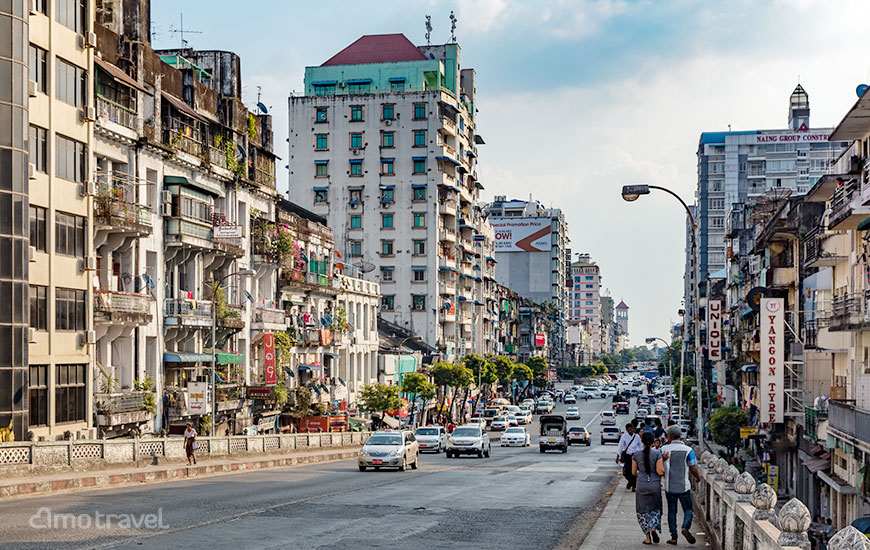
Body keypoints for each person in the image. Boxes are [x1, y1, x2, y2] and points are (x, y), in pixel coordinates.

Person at [661, 425, 701, 545]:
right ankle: (685, 527)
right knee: (688, 509)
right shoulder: (688, 450)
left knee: (672, 512)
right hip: (684, 486)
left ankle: (674, 537)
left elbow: (659, 465)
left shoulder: (663, 449)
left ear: (669, 436)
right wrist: (698, 478)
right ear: (680, 436)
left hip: (669, 486)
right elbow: (693, 468)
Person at [632, 430, 665, 544]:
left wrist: (641, 474)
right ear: (652, 442)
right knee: (655, 508)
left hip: (641, 484)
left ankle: (647, 538)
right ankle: (653, 528)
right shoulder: (657, 454)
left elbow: (633, 472)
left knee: (642, 510)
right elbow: (660, 471)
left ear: (641, 441)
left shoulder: (636, 455)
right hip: (654, 484)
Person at [616, 423, 643, 491]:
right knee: (626, 472)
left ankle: (634, 485)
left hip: (635, 456)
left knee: (634, 471)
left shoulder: (637, 436)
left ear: (633, 429)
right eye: (628, 430)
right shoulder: (624, 437)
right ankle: (631, 482)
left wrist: (641, 455)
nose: (630, 431)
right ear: (626, 430)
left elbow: (640, 446)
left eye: (631, 429)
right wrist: (617, 456)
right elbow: (620, 446)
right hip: (628, 456)